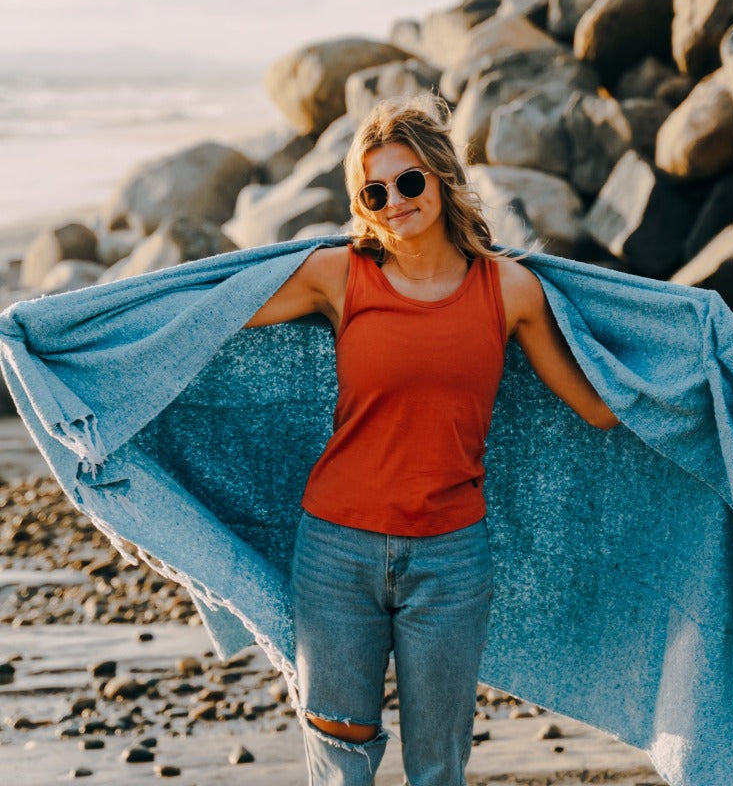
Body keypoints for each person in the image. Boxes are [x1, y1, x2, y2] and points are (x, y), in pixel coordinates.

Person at [243, 93, 619, 785]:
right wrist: (73, 335)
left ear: (442, 179)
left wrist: (702, 385)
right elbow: (208, 319)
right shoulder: (337, 276)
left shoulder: (510, 290)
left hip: (451, 559)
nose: (394, 201)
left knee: (438, 766)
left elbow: (597, 409)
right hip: (334, 552)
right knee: (339, 754)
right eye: (374, 190)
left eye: (409, 181)